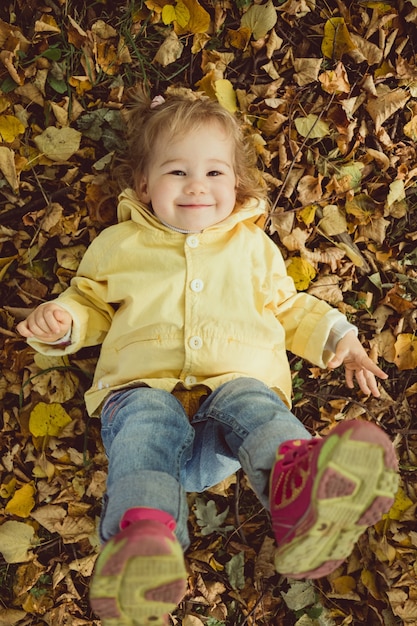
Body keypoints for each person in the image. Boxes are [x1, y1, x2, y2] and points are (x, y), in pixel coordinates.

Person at [17, 89, 399, 626]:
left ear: (236, 183)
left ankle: (301, 494)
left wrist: (342, 339)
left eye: (215, 173)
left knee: (252, 400)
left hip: (231, 429)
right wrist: (62, 323)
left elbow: (288, 307)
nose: (197, 185)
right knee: (148, 421)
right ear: (144, 186)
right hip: (141, 396)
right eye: (177, 172)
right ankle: (145, 540)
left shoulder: (252, 247)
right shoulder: (119, 244)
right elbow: (90, 303)